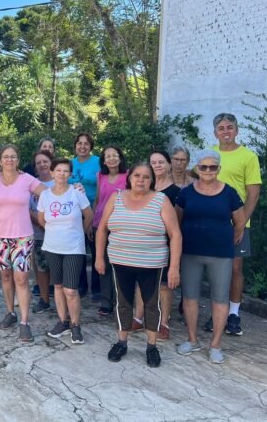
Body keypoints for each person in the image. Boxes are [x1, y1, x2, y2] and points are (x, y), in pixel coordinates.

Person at [96, 163, 182, 367]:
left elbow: (175, 234)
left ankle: (152, 346)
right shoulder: (116, 197)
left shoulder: (161, 200)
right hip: (120, 261)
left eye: (146, 177)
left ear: (152, 180)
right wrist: (99, 257)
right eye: (137, 176)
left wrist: (174, 267)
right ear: (129, 178)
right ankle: (121, 342)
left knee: (151, 304)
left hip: (151, 264)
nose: (141, 180)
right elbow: (102, 229)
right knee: (123, 303)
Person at [176, 150, 246, 364]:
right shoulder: (186, 193)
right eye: (203, 166)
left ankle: (215, 345)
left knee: (220, 299)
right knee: (190, 297)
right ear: (197, 168)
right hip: (190, 252)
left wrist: (227, 240)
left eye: (212, 167)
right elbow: (177, 221)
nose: (208, 170)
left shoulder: (229, 193)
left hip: (221, 254)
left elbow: (240, 222)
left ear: (219, 169)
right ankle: (192, 340)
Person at [0, 144, 46, 343]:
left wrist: (72, 189)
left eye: (13, 157)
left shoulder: (27, 179)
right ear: (0, 160)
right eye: (6, 156)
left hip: (22, 237)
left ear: (18, 160)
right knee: (5, 275)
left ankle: (24, 322)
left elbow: (49, 193)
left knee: (21, 278)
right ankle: (10, 312)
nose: (9, 160)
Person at [208, 113, 261, 336]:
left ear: (237, 130)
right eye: (221, 128)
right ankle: (216, 313)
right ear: (215, 133)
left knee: (236, 269)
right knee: (214, 270)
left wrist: (241, 224)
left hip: (236, 223)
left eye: (230, 127)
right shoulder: (209, 154)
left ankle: (233, 314)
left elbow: (253, 194)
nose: (226, 131)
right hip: (211, 223)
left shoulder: (248, 156)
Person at [39, 158, 94, 344]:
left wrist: (80, 233)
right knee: (58, 286)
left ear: (70, 174)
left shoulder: (76, 192)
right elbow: (41, 219)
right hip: (52, 247)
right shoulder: (45, 195)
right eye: (58, 170)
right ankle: (63, 322)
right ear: (52, 173)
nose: (62, 174)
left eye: (65, 171)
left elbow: (89, 215)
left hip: (73, 248)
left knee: (71, 290)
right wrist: (55, 232)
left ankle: (75, 325)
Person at [132, 150, 181, 340]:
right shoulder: (144, 188)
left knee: (164, 285)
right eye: (153, 162)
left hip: (165, 243)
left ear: (169, 165)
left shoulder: (176, 192)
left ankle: (163, 323)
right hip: (143, 242)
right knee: (141, 281)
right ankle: (138, 318)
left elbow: (177, 223)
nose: (157, 165)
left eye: (161, 162)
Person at [91, 145, 128, 317]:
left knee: (120, 264)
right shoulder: (101, 175)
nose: (112, 159)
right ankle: (106, 302)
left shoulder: (128, 175)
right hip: (101, 224)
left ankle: (121, 300)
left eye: (115, 155)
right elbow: (98, 199)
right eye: (108, 156)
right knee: (102, 263)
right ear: (104, 161)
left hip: (121, 225)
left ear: (120, 158)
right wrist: (92, 222)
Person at [69, 132, 100, 298]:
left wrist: (92, 216)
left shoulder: (98, 162)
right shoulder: (70, 164)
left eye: (86, 143)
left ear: (91, 146)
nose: (82, 146)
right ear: (75, 146)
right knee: (78, 250)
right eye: (79, 143)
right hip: (74, 213)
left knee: (96, 249)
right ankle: (81, 285)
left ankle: (97, 288)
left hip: (94, 211)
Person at [30, 150, 55, 313]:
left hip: (57, 234)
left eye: (45, 161)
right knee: (41, 268)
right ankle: (44, 300)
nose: (42, 165)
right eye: (38, 162)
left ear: (51, 163)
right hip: (38, 233)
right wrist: (40, 221)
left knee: (59, 269)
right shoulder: (31, 184)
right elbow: (26, 208)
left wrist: (48, 223)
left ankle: (64, 303)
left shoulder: (60, 181)